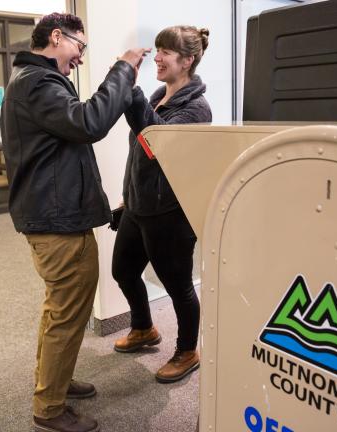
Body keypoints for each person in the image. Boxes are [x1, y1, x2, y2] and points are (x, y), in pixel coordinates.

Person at [0, 12, 149, 432]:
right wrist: (122, 70)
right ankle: (49, 409)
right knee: (66, 316)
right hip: (57, 223)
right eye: (79, 47)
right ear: (55, 37)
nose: (80, 57)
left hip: (52, 215)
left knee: (59, 311)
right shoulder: (37, 83)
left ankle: (56, 384)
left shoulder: (31, 82)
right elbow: (89, 122)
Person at [112, 26, 212, 383]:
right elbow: (137, 154)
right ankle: (144, 328)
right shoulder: (159, 96)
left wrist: (131, 90)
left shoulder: (197, 110)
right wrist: (127, 197)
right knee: (123, 271)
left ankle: (187, 350)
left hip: (169, 214)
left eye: (166, 51)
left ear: (187, 60)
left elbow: (156, 148)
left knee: (179, 288)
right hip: (139, 207)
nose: (157, 57)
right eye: (156, 49)